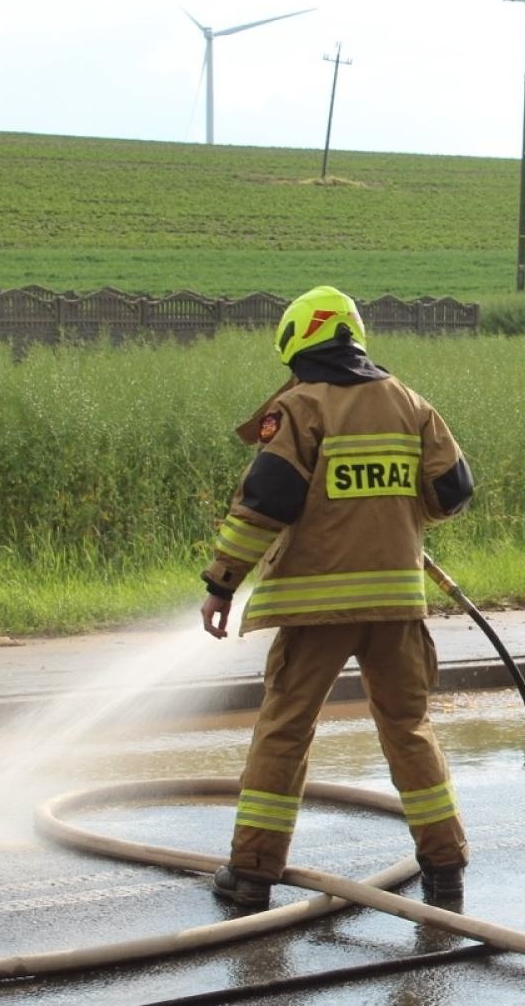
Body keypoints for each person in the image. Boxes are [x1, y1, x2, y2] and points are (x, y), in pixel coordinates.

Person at [198, 285, 475, 911]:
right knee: (409, 730)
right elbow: (453, 492)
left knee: (284, 731)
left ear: (298, 343)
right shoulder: (410, 402)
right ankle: (446, 871)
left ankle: (251, 876)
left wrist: (222, 581)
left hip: (316, 609)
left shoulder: (300, 407)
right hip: (398, 608)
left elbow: (265, 503)